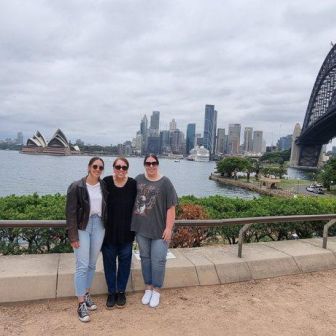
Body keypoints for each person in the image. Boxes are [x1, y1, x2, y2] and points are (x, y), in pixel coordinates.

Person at [131, 154, 178, 308]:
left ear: (157, 164)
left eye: (154, 163)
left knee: (158, 261)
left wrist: (169, 228)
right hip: (141, 229)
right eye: (148, 163)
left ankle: (157, 290)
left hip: (159, 231)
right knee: (145, 259)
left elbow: (171, 208)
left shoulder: (165, 182)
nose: (151, 166)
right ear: (144, 164)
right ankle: (148, 288)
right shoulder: (137, 179)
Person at [66, 157, 108, 322]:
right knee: (82, 265)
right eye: (95, 166)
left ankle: (87, 293)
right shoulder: (77, 186)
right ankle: (81, 304)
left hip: (99, 225)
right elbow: (70, 213)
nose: (98, 169)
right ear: (89, 167)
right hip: (82, 226)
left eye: (100, 167)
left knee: (91, 264)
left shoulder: (103, 185)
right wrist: (73, 236)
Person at [101, 157, 137, 309]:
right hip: (108, 234)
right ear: (113, 168)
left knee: (124, 264)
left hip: (127, 234)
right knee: (109, 265)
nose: (121, 170)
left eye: (124, 167)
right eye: (118, 167)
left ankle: (121, 291)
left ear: (127, 169)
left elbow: (141, 205)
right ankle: (111, 292)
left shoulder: (133, 184)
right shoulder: (106, 182)